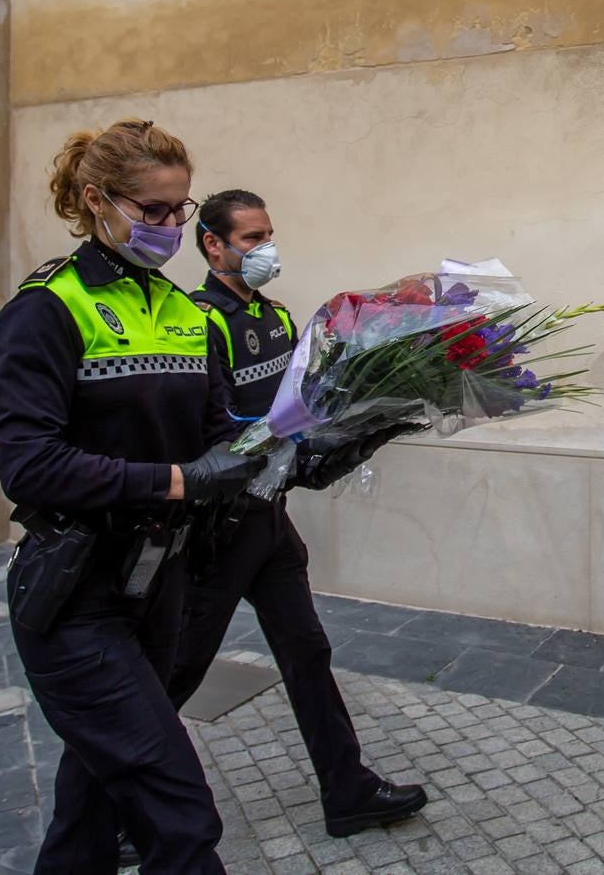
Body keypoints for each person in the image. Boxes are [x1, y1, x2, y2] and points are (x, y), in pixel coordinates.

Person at [0, 121, 267, 873]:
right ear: (95, 200)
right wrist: (178, 481)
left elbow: (218, 439)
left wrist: (308, 440)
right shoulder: (47, 308)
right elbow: (30, 464)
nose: (173, 227)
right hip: (76, 594)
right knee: (179, 813)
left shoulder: (191, 315)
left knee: (93, 805)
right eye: (154, 211)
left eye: (181, 210)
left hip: (160, 584)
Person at [176, 189, 429, 837]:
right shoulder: (198, 323)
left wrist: (373, 414)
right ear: (213, 244)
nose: (266, 249)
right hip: (220, 532)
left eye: (268, 234)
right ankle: (117, 806)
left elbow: (303, 413)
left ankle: (347, 790)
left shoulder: (283, 320)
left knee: (307, 650)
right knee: (176, 673)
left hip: (270, 524)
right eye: (252, 239)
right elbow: (216, 433)